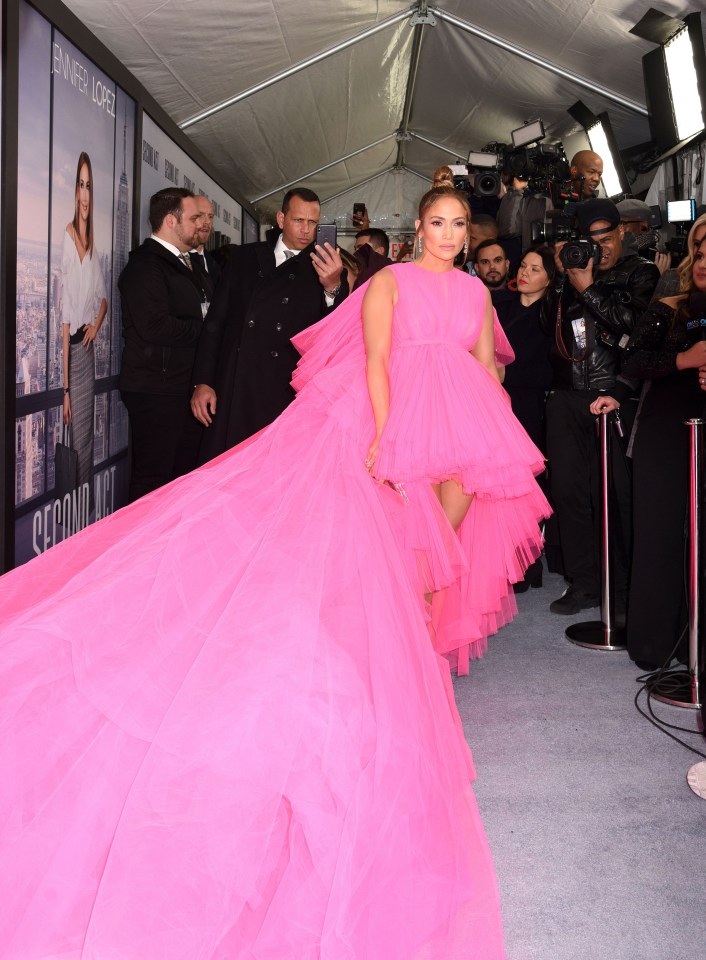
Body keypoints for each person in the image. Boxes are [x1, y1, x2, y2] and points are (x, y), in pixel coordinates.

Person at [0, 167, 549, 958]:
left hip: (463, 420)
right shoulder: (391, 280)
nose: (453, 236)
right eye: (440, 223)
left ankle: (419, 655)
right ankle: (396, 667)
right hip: (397, 417)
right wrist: (389, 436)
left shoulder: (476, 294)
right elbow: (375, 359)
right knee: (398, 543)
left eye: (463, 225)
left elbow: (487, 363)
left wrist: (494, 414)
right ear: (418, 229)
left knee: (448, 550)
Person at [598, 214, 706, 670]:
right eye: (699, 249)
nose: (702, 259)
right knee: (659, 533)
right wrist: (685, 358)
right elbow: (636, 359)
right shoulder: (672, 304)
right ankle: (656, 643)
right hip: (665, 430)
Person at [543, 198, 659, 615]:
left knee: (615, 493)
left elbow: (636, 327)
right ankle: (583, 582)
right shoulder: (569, 273)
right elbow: (548, 330)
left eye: (605, 238)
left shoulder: (641, 272)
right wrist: (561, 281)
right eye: (589, 241)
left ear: (621, 233)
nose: (598, 248)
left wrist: (586, 288)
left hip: (614, 394)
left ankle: (623, 586)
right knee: (569, 492)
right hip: (566, 396)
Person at [190, 187, 348, 459]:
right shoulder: (244, 258)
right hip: (237, 385)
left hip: (286, 389)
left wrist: (333, 286)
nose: (306, 230)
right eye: (299, 220)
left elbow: (334, 331)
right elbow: (215, 324)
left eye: (313, 223)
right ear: (281, 219)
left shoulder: (327, 267)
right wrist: (203, 382)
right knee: (228, 468)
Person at [118, 187, 207, 502]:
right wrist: (205, 329)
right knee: (152, 481)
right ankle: (138, 548)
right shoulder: (146, 266)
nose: (199, 224)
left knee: (175, 478)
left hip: (174, 386)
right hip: (155, 389)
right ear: (171, 221)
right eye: (193, 217)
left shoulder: (181, 264)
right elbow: (154, 326)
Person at [495, 246, 555, 592]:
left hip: (535, 405)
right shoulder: (501, 307)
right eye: (523, 266)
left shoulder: (555, 313)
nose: (526, 273)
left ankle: (530, 563)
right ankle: (506, 562)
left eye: (535, 269)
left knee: (532, 484)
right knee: (502, 485)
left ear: (550, 277)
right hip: (500, 402)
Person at [61, 151, 108, 512]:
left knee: (87, 440)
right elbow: (64, 319)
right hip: (74, 349)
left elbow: (103, 299)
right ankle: (76, 510)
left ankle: (84, 512)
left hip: (87, 352)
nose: (86, 193)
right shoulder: (68, 236)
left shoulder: (93, 247)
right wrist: (63, 389)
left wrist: (97, 324)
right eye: (81, 184)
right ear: (75, 192)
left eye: (89, 185)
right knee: (77, 441)